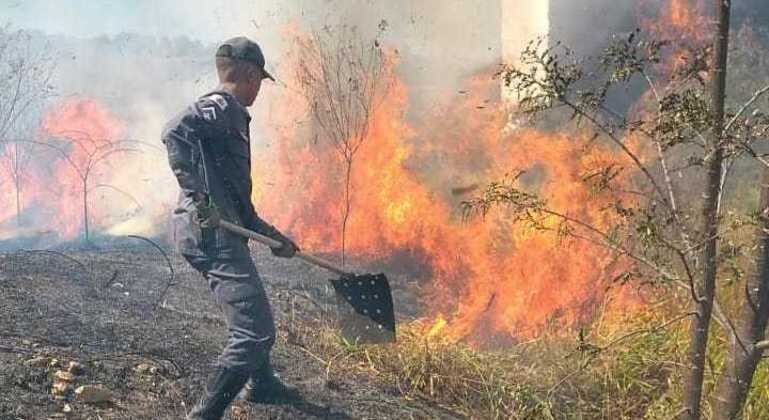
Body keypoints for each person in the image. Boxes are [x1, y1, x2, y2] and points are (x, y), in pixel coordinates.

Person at [161, 36, 301, 420]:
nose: (259, 89)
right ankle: (204, 415)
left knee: (253, 307)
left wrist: (276, 239)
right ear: (248, 74)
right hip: (211, 235)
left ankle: (263, 384)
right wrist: (200, 199)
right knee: (256, 332)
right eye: (259, 80)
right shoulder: (221, 106)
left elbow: (240, 208)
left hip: (222, 232)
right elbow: (174, 131)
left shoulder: (231, 115)